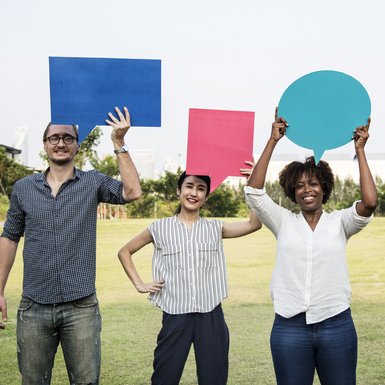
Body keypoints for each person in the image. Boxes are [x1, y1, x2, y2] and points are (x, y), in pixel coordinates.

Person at [0, 106, 142, 385]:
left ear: (77, 146)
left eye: (68, 137)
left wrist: (119, 143)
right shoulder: (23, 188)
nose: (61, 143)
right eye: (54, 138)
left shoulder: (93, 182)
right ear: (45, 144)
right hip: (34, 306)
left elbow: (132, 192)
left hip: (81, 308)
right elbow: (9, 237)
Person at [243, 109, 377, 385]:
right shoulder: (282, 221)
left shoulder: (341, 222)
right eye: (300, 185)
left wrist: (360, 151)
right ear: (292, 191)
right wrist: (272, 141)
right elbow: (254, 192)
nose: (307, 190)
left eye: (314, 183)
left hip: (336, 324)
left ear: (324, 188)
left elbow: (370, 202)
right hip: (289, 328)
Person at [118, 171, 262, 385]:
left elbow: (254, 224)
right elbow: (125, 252)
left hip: (211, 316)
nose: (194, 193)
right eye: (189, 186)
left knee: (214, 378)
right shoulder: (159, 228)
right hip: (175, 316)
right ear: (179, 190)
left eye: (201, 189)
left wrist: (252, 183)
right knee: (164, 378)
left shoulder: (215, 228)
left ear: (206, 196)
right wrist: (139, 284)